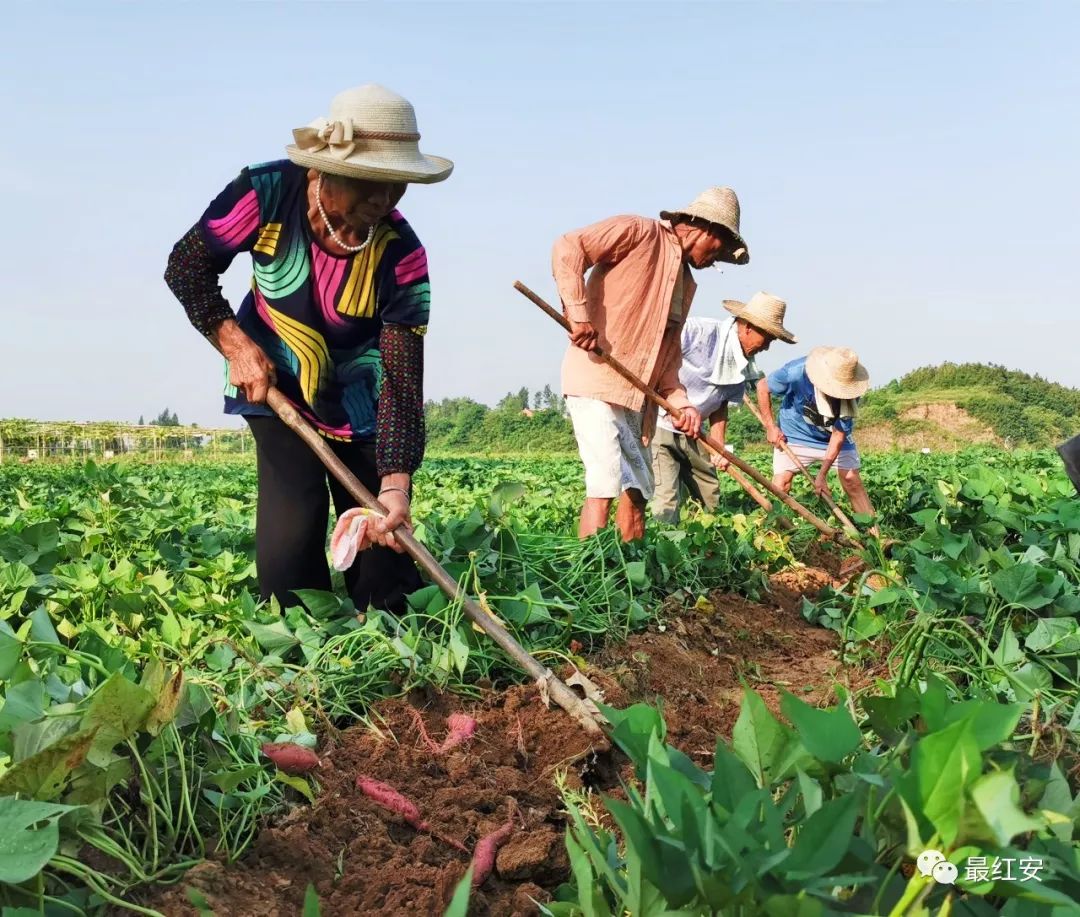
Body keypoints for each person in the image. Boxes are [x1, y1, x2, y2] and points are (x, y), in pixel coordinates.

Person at [164, 84, 452, 612]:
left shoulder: (402, 255)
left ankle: (393, 662)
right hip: (275, 383)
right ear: (323, 168)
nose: (383, 200)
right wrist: (236, 345)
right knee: (289, 549)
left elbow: (402, 380)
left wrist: (395, 487)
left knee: (383, 563)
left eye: (397, 185)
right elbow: (187, 265)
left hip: (364, 406)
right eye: (370, 183)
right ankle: (303, 663)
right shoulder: (267, 192)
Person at [552, 187, 751, 540]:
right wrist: (579, 314)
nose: (715, 260)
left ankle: (634, 577)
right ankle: (588, 578)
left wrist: (682, 404)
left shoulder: (685, 283)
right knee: (606, 481)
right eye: (718, 250)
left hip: (637, 400)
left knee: (640, 491)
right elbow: (569, 247)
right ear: (705, 229)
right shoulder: (638, 231)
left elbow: (669, 364)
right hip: (596, 380)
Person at [651, 292, 797, 524]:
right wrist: (674, 400)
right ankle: (663, 552)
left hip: (697, 433)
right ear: (748, 327)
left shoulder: (742, 363)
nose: (767, 347)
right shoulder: (698, 332)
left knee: (711, 498)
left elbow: (721, 403)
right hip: (660, 423)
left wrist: (718, 446)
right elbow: (657, 353)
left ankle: (711, 553)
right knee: (666, 500)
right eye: (767, 338)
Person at [758, 346, 876, 519]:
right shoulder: (796, 372)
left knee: (851, 480)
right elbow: (762, 387)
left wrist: (822, 475)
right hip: (795, 433)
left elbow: (838, 435)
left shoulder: (851, 390)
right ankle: (776, 531)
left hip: (831, 437)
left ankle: (875, 538)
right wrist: (770, 426)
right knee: (781, 483)